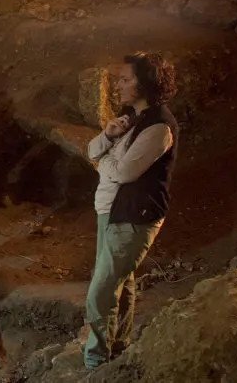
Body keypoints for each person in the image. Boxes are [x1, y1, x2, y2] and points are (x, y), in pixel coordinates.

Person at [83, 52, 178, 369]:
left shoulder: (158, 128)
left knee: (102, 290)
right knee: (121, 284)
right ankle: (117, 349)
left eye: (126, 79)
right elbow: (92, 151)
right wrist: (109, 136)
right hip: (111, 212)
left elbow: (124, 172)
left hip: (133, 216)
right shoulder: (129, 119)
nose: (119, 85)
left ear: (146, 83)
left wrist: (106, 162)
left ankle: (95, 363)